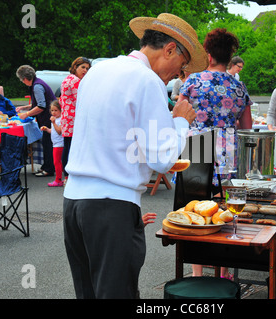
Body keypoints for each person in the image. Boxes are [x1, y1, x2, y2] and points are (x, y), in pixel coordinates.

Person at [62, 13, 207, 299]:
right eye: (181, 67)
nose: (179, 75)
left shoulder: (98, 70)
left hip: (75, 200)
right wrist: (179, 121)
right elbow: (162, 159)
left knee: (87, 293)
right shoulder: (147, 80)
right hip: (110, 205)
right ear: (169, 50)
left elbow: (116, 133)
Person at [178, 28, 252, 279]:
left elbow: (179, 115)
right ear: (230, 56)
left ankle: (197, 272)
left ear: (208, 54)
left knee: (195, 206)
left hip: (198, 143)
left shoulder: (193, 82)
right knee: (224, 207)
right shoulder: (239, 88)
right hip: (227, 147)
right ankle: (223, 270)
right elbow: (248, 128)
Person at [16, 65, 56, 177]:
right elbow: (38, 103)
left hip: (49, 118)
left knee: (47, 144)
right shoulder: (38, 83)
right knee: (46, 143)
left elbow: (41, 106)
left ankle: (49, 169)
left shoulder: (37, 86)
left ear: (24, 79)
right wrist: (24, 107)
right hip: (49, 117)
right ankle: (46, 166)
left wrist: (26, 114)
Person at [60, 57, 91, 184]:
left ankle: (66, 175)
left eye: (87, 68)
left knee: (67, 146)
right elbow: (82, 99)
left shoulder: (67, 79)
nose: (85, 70)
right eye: (82, 67)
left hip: (67, 118)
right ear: (75, 67)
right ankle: (69, 175)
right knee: (72, 147)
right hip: (74, 118)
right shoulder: (75, 80)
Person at [40, 100, 64, 187]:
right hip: (56, 144)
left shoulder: (60, 120)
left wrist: (53, 123)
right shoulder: (56, 119)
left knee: (57, 162)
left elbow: (59, 131)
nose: (53, 112)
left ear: (61, 111)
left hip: (59, 144)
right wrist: (47, 129)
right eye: (52, 110)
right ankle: (62, 178)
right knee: (58, 162)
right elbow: (53, 131)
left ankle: (58, 180)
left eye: (56, 110)